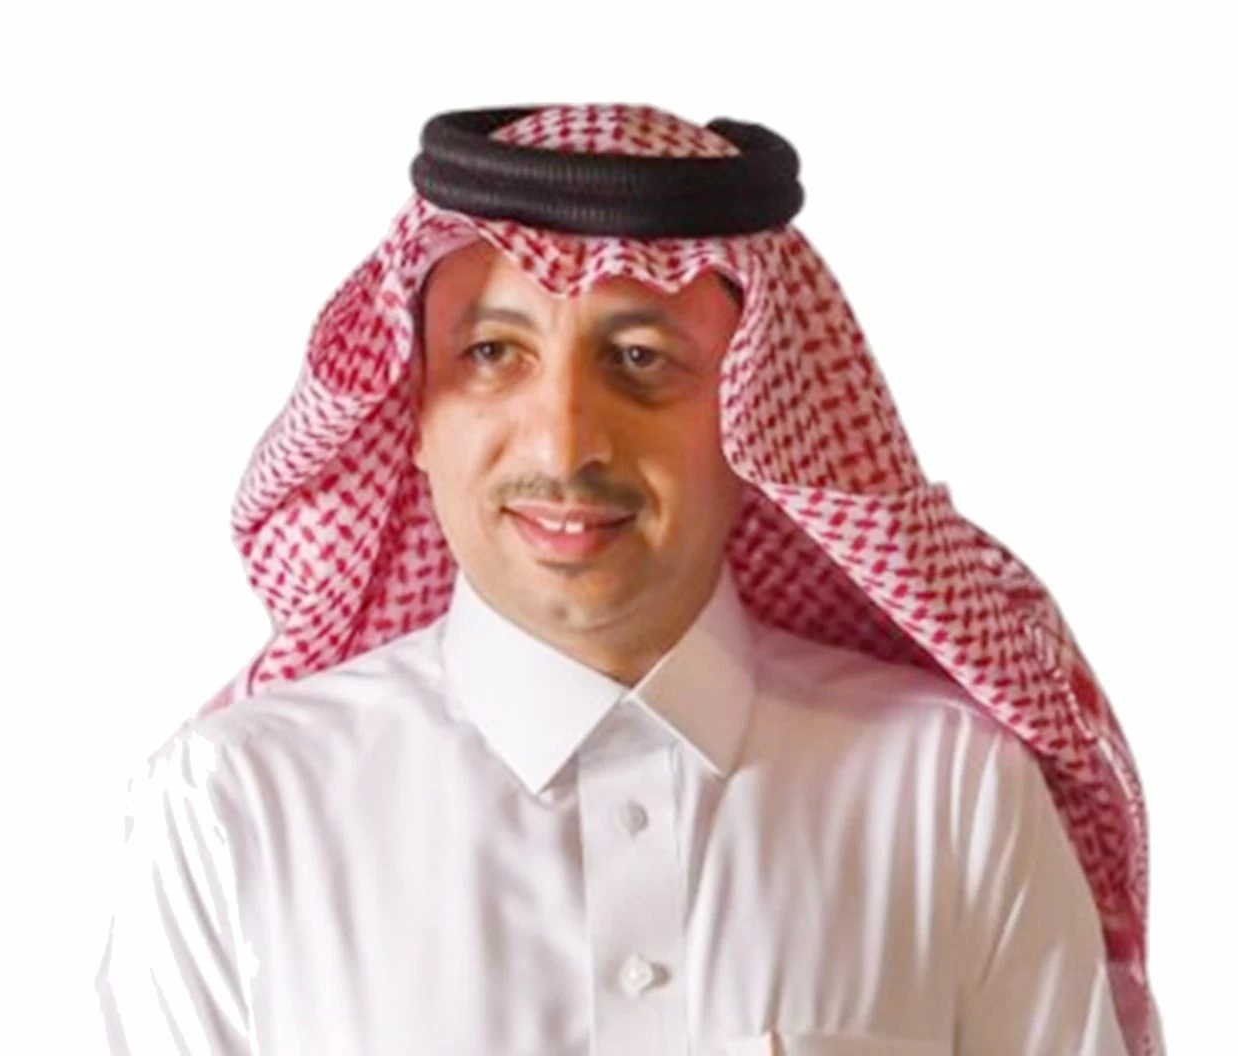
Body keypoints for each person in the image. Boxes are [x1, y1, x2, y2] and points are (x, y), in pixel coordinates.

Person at [93, 103, 1164, 1055]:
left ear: (754, 416)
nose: (565, 443)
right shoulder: (236, 806)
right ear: (412, 411)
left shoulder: (946, 790)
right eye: (492, 354)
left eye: (640, 359)